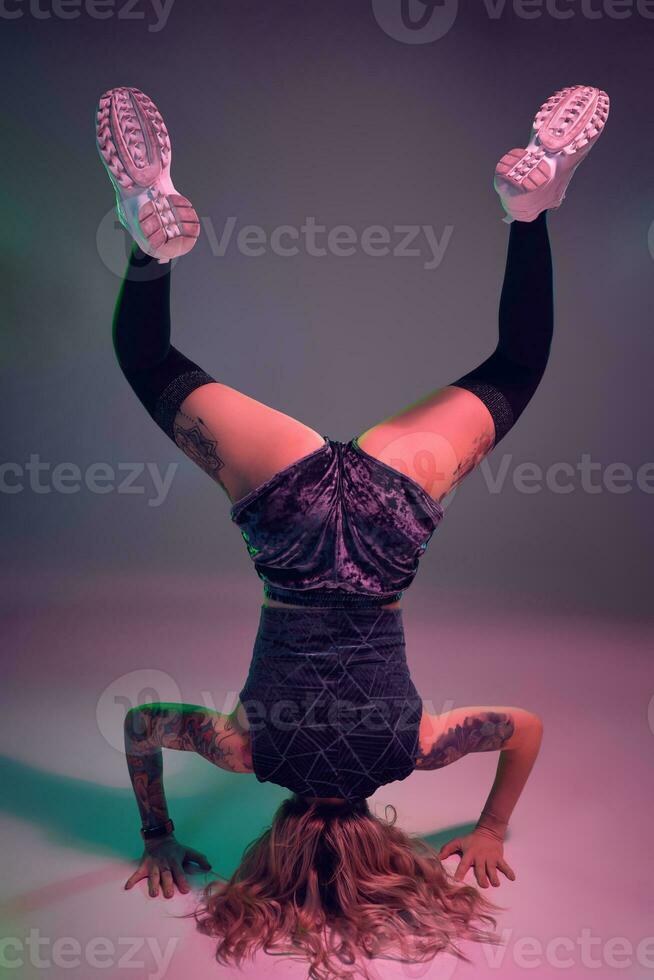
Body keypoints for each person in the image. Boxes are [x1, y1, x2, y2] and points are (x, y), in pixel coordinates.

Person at [96, 83, 609, 976]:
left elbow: (523, 727)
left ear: (383, 841)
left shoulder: (410, 753)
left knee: (516, 367)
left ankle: (531, 215)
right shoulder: (251, 752)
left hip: (386, 517)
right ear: (275, 845)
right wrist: (155, 833)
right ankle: (148, 242)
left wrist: (488, 826)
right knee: (151, 363)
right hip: (287, 516)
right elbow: (141, 724)